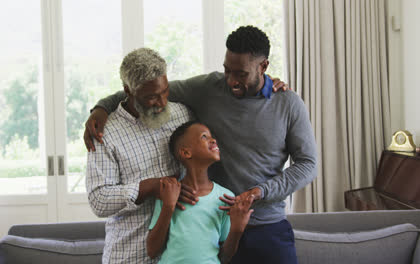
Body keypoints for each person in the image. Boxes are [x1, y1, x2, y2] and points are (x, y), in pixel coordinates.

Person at [86, 25, 317, 263]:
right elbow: (144, 89)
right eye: (227, 71)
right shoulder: (207, 88)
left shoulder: (288, 103)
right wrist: (102, 107)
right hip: (212, 224)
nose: (231, 81)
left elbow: (308, 164)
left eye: (241, 74)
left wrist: (260, 192)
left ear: (263, 67)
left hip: (267, 226)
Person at [86, 47, 194, 264]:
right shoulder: (105, 132)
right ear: (128, 90)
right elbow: (98, 201)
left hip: (179, 255)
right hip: (130, 255)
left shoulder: (183, 114)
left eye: (165, 91)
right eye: (151, 97)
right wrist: (153, 186)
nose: (162, 102)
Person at [147, 121, 253, 264]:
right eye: (204, 137)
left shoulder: (225, 197)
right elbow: (152, 251)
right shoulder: (169, 192)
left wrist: (237, 229)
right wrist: (168, 206)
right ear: (186, 152)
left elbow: (225, 257)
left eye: (211, 136)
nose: (213, 140)